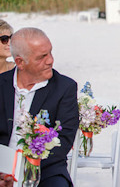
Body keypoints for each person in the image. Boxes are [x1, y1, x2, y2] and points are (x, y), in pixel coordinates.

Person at [0, 28, 79, 187]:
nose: (50, 60)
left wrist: (23, 170)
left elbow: (64, 140)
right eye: (42, 57)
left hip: (46, 170)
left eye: (50, 53)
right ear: (20, 62)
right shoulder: (2, 84)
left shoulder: (64, 88)